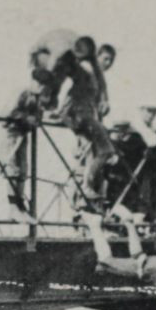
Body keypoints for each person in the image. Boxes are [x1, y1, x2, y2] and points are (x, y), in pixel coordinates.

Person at [50, 36, 114, 208]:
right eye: (105, 59)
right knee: (104, 151)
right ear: (96, 56)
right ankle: (84, 191)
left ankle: (83, 198)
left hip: (83, 118)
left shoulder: (96, 77)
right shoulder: (87, 70)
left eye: (110, 61)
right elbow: (73, 92)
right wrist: (61, 111)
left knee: (94, 156)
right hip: (81, 117)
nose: (107, 63)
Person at [2, 47, 58, 221]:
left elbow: (39, 116)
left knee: (23, 170)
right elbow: (6, 114)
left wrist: (38, 117)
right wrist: (26, 118)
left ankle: (19, 206)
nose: (41, 89)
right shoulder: (23, 93)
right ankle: (13, 207)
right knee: (12, 169)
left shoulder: (36, 97)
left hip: (22, 135)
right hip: (10, 134)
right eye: (40, 85)